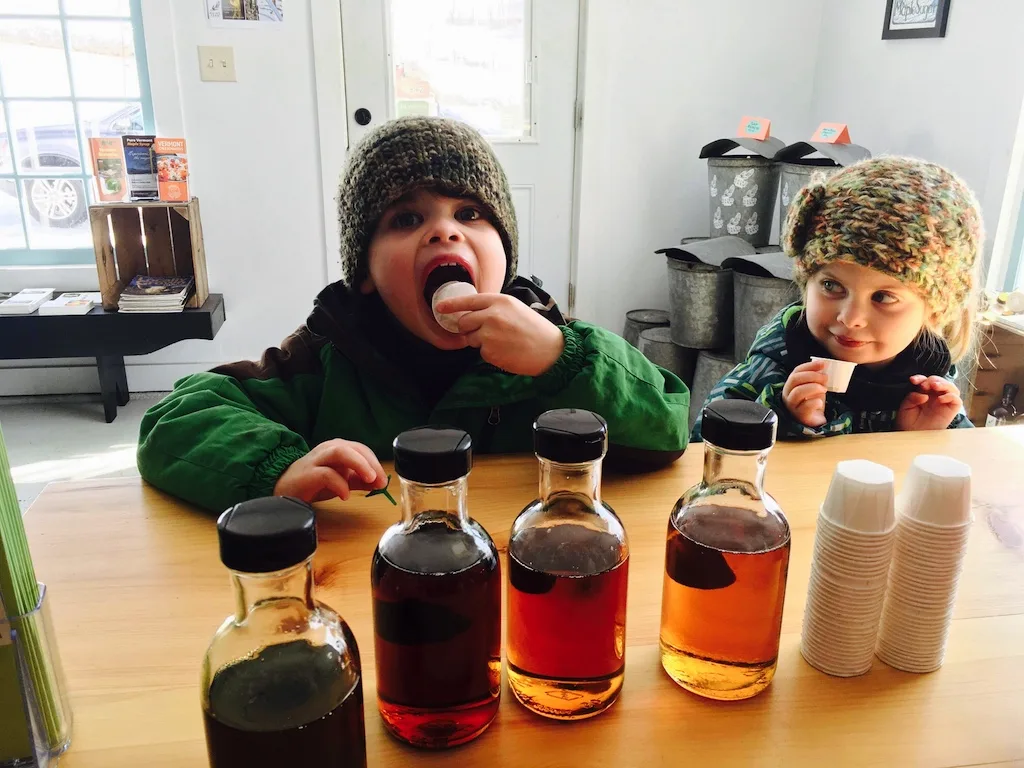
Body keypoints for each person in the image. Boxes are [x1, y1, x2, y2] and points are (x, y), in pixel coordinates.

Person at [138, 117, 690, 513]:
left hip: (525, 574)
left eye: (470, 213)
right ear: (366, 274)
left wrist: (558, 358)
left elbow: (667, 423)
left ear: (506, 253)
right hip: (374, 578)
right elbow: (176, 418)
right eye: (406, 219)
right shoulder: (330, 354)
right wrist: (276, 467)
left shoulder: (555, 346)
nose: (445, 231)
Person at [692, 156, 982, 440]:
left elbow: (967, 472)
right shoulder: (771, 366)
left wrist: (917, 440)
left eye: (882, 297)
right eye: (832, 286)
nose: (850, 318)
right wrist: (784, 418)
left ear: (934, 310)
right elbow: (702, 447)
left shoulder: (931, 387)